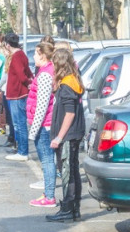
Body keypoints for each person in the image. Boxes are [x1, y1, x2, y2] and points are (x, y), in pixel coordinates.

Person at [46, 48, 86, 222]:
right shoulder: (71, 80)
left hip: (68, 135)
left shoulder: (67, 85)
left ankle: (68, 209)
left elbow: (69, 113)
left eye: (54, 63)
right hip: (73, 134)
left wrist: (59, 137)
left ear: (59, 64)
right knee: (73, 171)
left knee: (67, 172)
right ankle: (74, 208)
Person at [26, 42, 57, 208]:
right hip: (44, 124)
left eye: (36, 53)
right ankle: (47, 193)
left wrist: (33, 130)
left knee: (47, 161)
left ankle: (50, 196)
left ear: (43, 56)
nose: (33, 56)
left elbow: (42, 105)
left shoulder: (45, 74)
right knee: (47, 160)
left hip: (44, 125)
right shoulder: (46, 71)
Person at [4, 33, 33, 162]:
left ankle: (22, 151)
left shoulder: (16, 56)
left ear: (7, 45)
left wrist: (28, 83)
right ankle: (22, 150)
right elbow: (28, 71)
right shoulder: (22, 54)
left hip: (17, 94)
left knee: (19, 124)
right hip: (19, 94)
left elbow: (22, 76)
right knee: (19, 124)